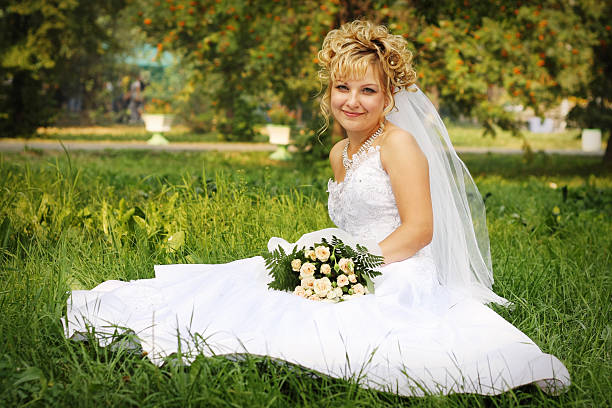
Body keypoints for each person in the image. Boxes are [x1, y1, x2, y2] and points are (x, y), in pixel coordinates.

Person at [64, 20, 570, 396]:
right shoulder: (339, 153)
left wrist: (352, 267)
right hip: (346, 259)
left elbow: (419, 231)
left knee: (335, 323)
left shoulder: (399, 146)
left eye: (368, 90)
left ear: (389, 96)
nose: (353, 100)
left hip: (397, 266)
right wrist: (327, 259)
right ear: (329, 92)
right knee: (251, 291)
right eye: (342, 88)